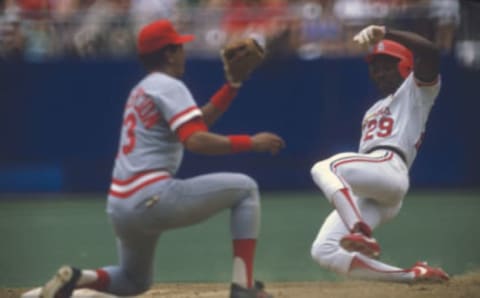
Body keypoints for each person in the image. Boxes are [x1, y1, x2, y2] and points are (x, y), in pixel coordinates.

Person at [38, 19, 284, 298]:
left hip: (120, 205)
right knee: (245, 189)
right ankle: (243, 287)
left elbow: (197, 122)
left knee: (133, 281)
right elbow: (195, 140)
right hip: (150, 196)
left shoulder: (143, 89)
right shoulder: (168, 85)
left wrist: (233, 85)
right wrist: (251, 142)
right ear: (168, 53)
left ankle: (74, 278)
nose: (184, 52)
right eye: (179, 47)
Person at [309, 24, 450, 282]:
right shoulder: (373, 109)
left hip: (391, 166)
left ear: (406, 66)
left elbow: (429, 51)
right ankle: (413, 275)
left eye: (388, 65)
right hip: (378, 188)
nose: (381, 72)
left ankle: (359, 232)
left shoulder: (416, 91)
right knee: (324, 250)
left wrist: (386, 32)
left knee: (324, 167)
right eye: (376, 67)